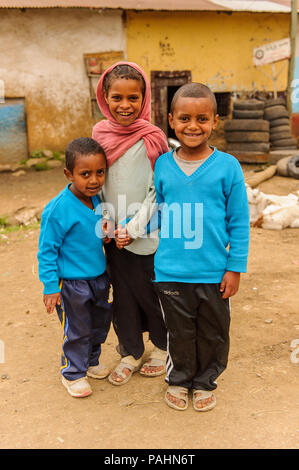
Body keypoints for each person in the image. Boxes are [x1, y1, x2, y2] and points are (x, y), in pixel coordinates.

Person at [152, 83, 250, 411]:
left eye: (202, 118)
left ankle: (206, 380)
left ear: (215, 121)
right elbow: (159, 212)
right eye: (184, 118)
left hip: (213, 270)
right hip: (171, 270)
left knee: (214, 331)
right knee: (179, 331)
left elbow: (238, 222)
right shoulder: (163, 166)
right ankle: (179, 379)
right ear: (171, 120)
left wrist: (234, 268)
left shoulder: (228, 167)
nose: (193, 126)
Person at [92, 61, 169, 385]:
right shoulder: (99, 135)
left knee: (153, 293)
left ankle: (162, 348)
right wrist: (107, 223)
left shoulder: (152, 137)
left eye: (133, 98)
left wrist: (134, 227)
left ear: (144, 98)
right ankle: (130, 351)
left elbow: (159, 190)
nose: (125, 105)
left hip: (147, 232)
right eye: (117, 97)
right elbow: (95, 184)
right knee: (122, 294)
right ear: (104, 98)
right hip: (113, 237)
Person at [37, 137, 113, 398]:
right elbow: (46, 251)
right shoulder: (57, 209)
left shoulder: (99, 200)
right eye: (85, 174)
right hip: (71, 284)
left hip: (98, 278)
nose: (93, 180)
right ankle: (72, 373)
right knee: (77, 328)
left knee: (100, 323)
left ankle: (91, 361)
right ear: (69, 174)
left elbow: (99, 230)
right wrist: (50, 287)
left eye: (99, 172)